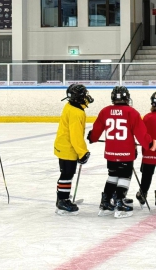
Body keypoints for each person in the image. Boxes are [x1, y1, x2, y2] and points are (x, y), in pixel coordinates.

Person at [88, 86, 156, 218]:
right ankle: (119, 203)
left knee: (112, 176)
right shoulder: (132, 112)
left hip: (111, 153)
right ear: (127, 98)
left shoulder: (105, 111)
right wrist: (154, 145)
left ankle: (106, 203)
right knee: (124, 177)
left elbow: (95, 132)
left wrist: (92, 137)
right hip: (125, 153)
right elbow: (142, 136)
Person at [53, 84, 93, 215]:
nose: (86, 96)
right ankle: (63, 201)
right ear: (78, 97)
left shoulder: (69, 106)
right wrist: (83, 152)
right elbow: (75, 135)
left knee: (65, 173)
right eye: (83, 94)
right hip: (68, 148)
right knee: (67, 175)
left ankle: (61, 197)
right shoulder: (77, 112)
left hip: (63, 146)